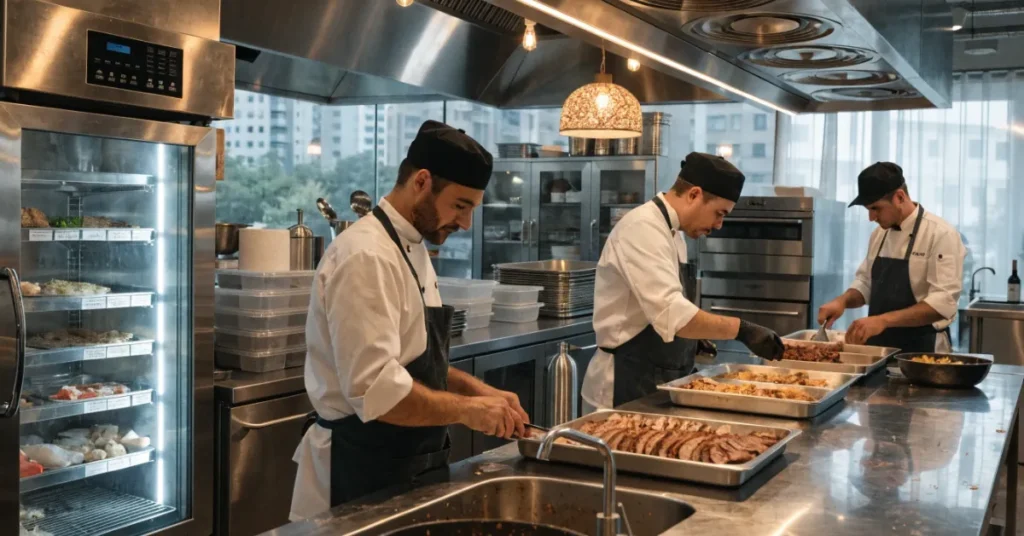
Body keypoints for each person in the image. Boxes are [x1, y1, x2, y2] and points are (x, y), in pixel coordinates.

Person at [290, 121, 529, 520]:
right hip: (359, 475)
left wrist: (479, 392)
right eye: (460, 206)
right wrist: (468, 411)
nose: (466, 223)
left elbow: (414, 360)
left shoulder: (413, 244)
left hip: (404, 466)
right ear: (422, 182)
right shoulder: (366, 256)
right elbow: (378, 390)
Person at [581, 152, 785, 413]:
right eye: (719, 213)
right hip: (623, 385)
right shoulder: (642, 228)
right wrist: (742, 330)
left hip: (657, 379)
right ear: (694, 194)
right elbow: (674, 315)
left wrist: (692, 340)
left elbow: (659, 311)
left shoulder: (674, 233)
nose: (720, 225)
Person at [817, 162, 965, 352]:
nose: (871, 217)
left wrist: (883, 320)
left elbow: (943, 304)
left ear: (900, 197)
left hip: (923, 351)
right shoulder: (879, 234)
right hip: (879, 349)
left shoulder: (941, 234)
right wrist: (842, 301)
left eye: (876, 208)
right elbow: (865, 283)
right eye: (868, 210)